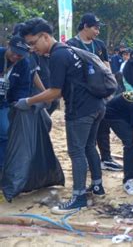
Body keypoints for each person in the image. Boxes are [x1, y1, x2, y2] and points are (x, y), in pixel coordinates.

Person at [17, 18, 105, 214]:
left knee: (76, 152)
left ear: (45, 37)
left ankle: (79, 197)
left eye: (33, 43)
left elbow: (55, 91)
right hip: (97, 106)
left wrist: (29, 101)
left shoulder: (58, 55)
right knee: (89, 146)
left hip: (80, 110)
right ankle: (97, 186)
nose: (32, 49)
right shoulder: (69, 50)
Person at [68, 13, 122, 172]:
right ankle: (84, 161)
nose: (98, 32)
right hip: (81, 96)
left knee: (103, 127)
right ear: (85, 26)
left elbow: (107, 68)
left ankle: (106, 158)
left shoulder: (99, 45)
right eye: (95, 28)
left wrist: (111, 89)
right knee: (83, 133)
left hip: (100, 95)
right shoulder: (71, 44)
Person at [0, 35, 31, 180]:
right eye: (14, 52)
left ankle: (3, 168)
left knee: (6, 132)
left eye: (20, 54)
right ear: (8, 45)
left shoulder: (23, 64)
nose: (16, 56)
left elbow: (23, 88)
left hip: (5, 103)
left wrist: (19, 102)